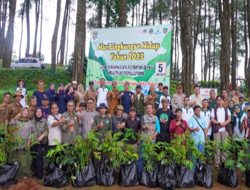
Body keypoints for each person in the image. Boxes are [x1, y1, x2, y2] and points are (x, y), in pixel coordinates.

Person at [9, 107, 32, 178]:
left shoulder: (29, 122)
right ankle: (16, 174)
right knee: (16, 158)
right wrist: (16, 117)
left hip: (25, 142)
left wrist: (29, 141)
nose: (25, 112)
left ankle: (24, 174)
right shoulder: (16, 121)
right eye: (23, 111)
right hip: (17, 141)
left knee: (24, 159)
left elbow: (31, 133)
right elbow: (10, 123)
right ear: (21, 112)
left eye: (26, 111)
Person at [211, 95, 231, 167]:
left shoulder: (226, 109)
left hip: (225, 130)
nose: (219, 101)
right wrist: (219, 123)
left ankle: (224, 161)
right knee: (217, 146)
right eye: (218, 100)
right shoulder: (214, 109)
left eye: (220, 100)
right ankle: (217, 162)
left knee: (225, 146)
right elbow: (212, 119)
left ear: (223, 101)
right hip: (217, 130)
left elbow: (229, 119)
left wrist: (223, 124)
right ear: (216, 101)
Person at [30, 108, 48, 179]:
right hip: (34, 142)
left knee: (39, 158)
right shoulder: (32, 121)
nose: (39, 113)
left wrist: (42, 136)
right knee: (34, 158)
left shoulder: (44, 121)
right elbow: (30, 132)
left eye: (40, 112)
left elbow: (47, 131)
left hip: (41, 143)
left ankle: (40, 175)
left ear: (42, 113)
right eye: (37, 111)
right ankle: (35, 173)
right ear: (35, 113)